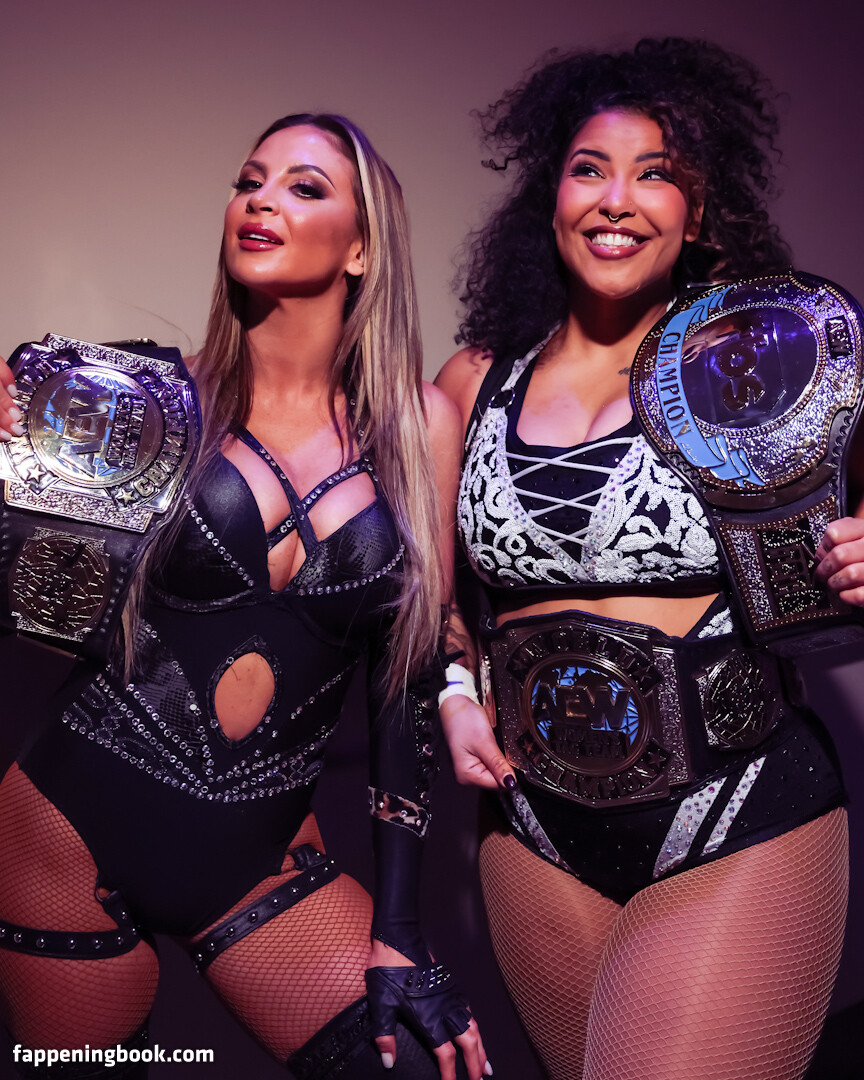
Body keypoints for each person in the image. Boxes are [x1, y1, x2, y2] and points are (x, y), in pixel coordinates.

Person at [0, 113, 489, 1080]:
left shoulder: (419, 424)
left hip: (255, 861)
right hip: (63, 838)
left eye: (304, 187)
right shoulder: (141, 395)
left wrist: (399, 926)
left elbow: (403, 680)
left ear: (361, 249)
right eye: (249, 181)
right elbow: (38, 595)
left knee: (424, 1064)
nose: (261, 200)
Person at [435, 39, 863, 1080]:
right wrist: (451, 691)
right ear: (552, 198)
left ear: (700, 214)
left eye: (656, 173)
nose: (616, 199)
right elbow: (436, 603)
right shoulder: (472, 380)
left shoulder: (758, 363)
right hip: (531, 833)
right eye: (590, 169)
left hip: (737, 802)